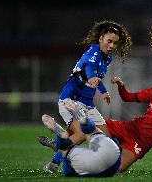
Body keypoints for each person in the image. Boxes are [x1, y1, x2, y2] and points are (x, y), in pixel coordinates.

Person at [39, 22, 152, 173]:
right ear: (101, 39)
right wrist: (121, 86)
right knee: (89, 132)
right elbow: (124, 95)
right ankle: (58, 155)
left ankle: (61, 145)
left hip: (141, 142)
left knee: (114, 169)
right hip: (125, 125)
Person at [38, 20, 132, 173]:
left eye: (115, 43)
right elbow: (89, 69)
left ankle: (60, 141)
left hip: (88, 104)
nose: (112, 46)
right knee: (82, 134)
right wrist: (91, 77)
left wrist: (103, 90)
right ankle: (54, 164)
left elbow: (97, 77)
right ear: (101, 39)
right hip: (70, 101)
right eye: (109, 41)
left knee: (105, 138)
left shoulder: (106, 58)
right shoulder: (92, 53)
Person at [41, 99, 121, 177]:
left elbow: (69, 171)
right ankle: (85, 123)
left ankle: (57, 151)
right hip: (112, 155)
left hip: (90, 164)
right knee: (90, 134)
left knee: (66, 149)